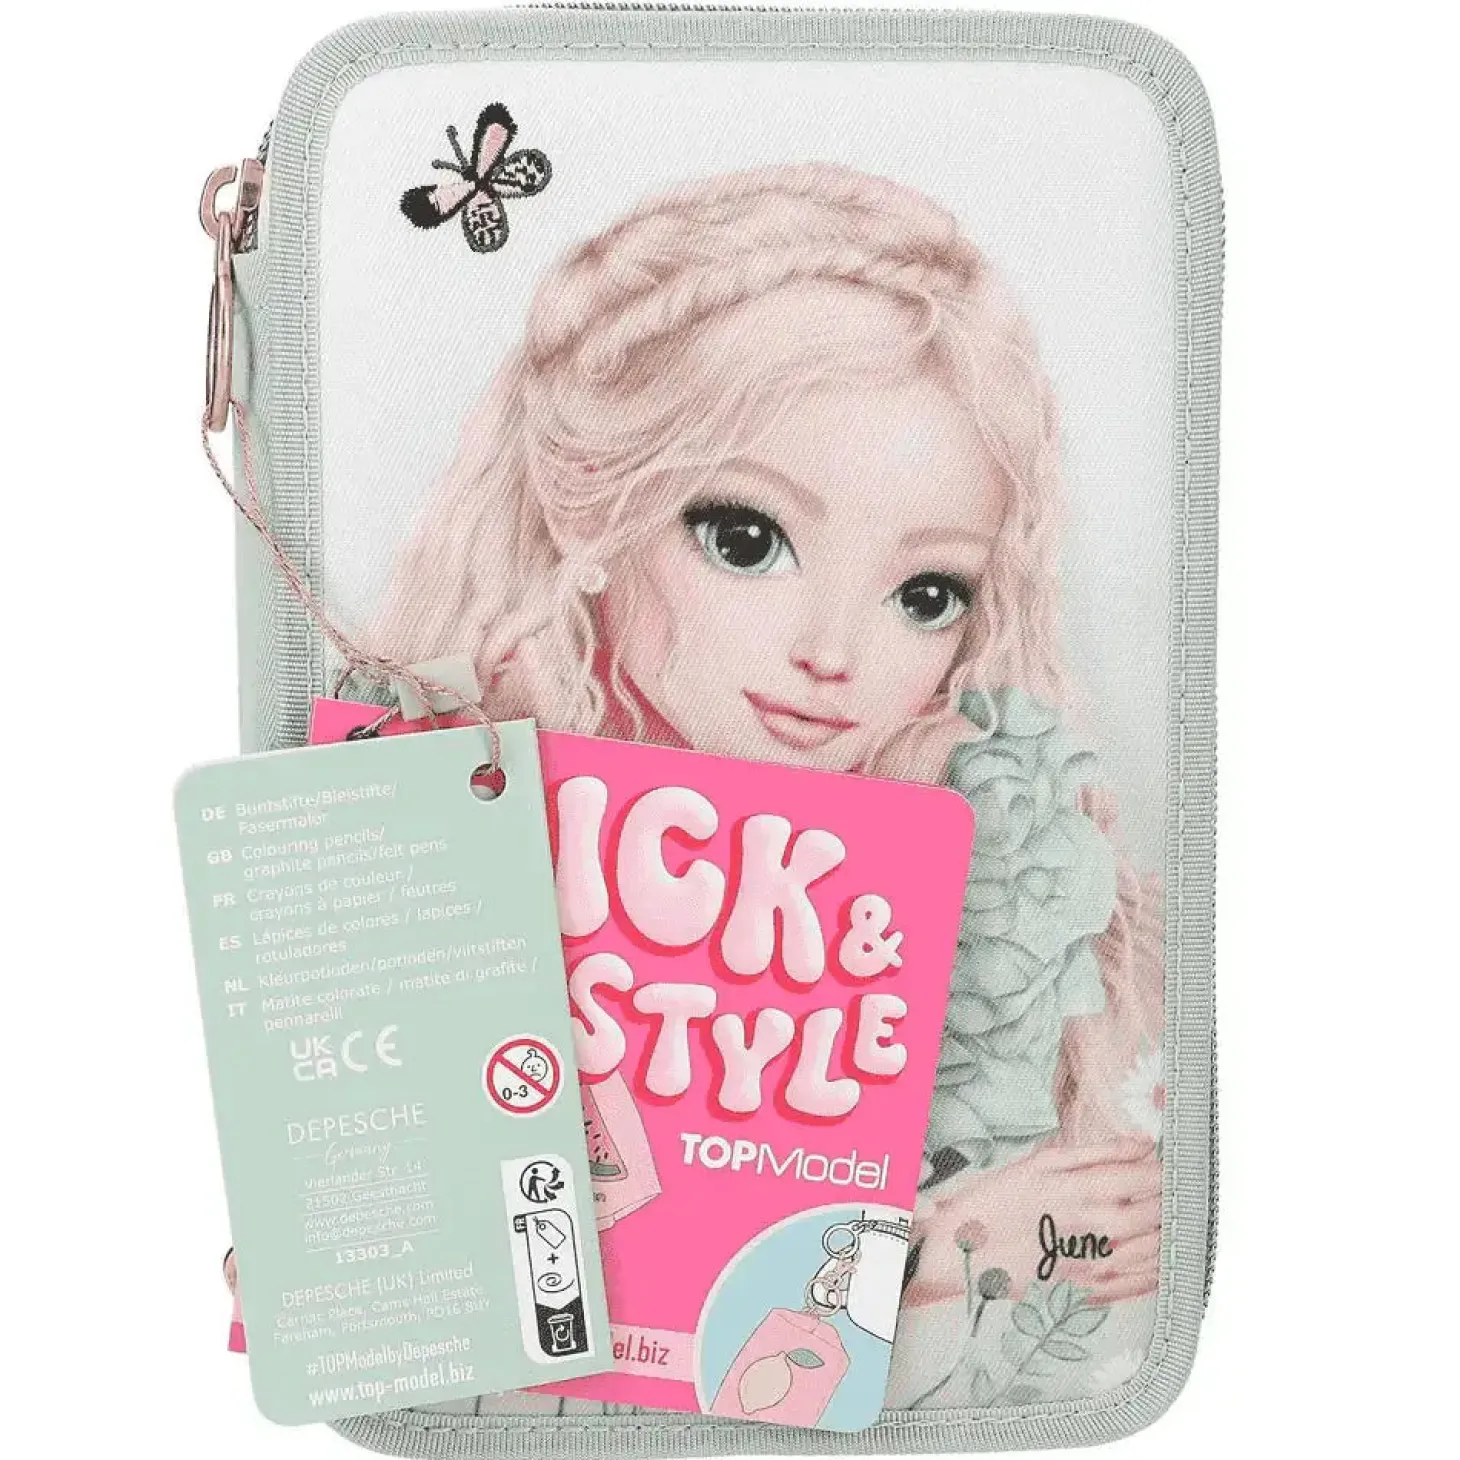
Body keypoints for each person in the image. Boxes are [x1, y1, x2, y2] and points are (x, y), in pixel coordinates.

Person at [378, 162, 1164, 1406]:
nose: (831, 652)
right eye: (745, 538)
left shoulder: (994, 898)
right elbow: (434, 1289)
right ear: (589, 507)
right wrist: (940, 1251)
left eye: (925, 593)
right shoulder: (436, 835)